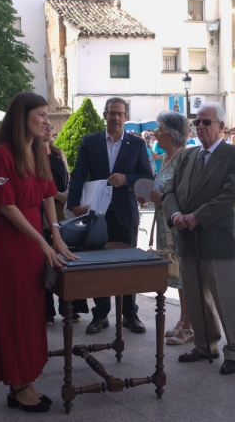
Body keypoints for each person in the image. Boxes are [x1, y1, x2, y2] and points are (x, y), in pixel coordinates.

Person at [0, 92, 77, 412]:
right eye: (41, 115)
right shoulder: (3, 153)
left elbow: (48, 194)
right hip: (9, 241)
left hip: (33, 237)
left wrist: (57, 236)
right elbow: (6, 206)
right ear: (22, 116)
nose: (47, 122)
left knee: (31, 310)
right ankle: (17, 384)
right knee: (13, 310)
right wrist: (42, 241)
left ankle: (26, 378)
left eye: (48, 115)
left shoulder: (38, 149)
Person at [163, 103, 235, 376]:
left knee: (227, 299)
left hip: (217, 239)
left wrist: (196, 217)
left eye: (206, 122)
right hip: (188, 239)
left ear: (221, 126)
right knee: (195, 297)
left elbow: (229, 194)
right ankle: (204, 345)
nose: (200, 126)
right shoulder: (187, 156)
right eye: (197, 122)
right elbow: (170, 191)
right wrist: (176, 213)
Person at [67, 97, 154, 334]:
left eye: (120, 114)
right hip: (97, 215)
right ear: (104, 115)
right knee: (98, 266)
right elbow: (78, 173)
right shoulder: (90, 142)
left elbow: (147, 177)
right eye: (112, 113)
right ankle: (101, 314)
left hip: (125, 215)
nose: (116, 118)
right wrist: (73, 203)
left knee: (128, 266)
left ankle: (129, 315)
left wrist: (127, 179)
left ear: (126, 117)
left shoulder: (136, 145)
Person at [150, 111, 194, 345]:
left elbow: (187, 194)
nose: (155, 133)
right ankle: (182, 320)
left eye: (158, 129)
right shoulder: (167, 157)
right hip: (164, 224)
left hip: (177, 226)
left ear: (169, 133)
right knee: (176, 275)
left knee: (183, 275)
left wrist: (163, 197)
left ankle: (189, 325)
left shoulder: (184, 157)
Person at [42, 124, 88, 325]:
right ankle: (46, 311)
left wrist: (70, 196)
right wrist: (59, 196)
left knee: (67, 258)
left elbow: (68, 179)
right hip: (39, 209)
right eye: (44, 125)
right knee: (44, 262)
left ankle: (70, 306)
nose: (48, 129)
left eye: (49, 125)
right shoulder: (31, 154)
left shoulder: (58, 153)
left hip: (62, 212)